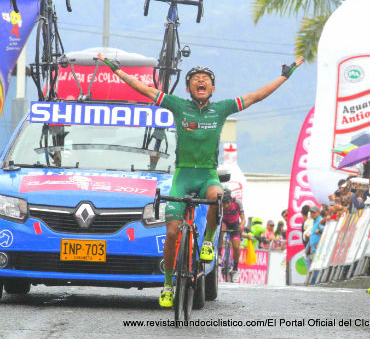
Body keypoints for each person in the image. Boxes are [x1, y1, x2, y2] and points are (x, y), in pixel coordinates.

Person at [97, 52, 303, 308]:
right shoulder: (177, 105)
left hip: (207, 175)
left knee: (218, 196)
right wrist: (118, 72)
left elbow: (256, 96)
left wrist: (284, 76)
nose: (201, 81)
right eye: (196, 79)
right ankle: (169, 284)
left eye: (206, 79)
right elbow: (145, 90)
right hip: (183, 175)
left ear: (213, 88)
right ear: (188, 87)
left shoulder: (222, 108)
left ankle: (207, 241)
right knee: (172, 232)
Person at [218, 189, 246, 282]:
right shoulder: (220, 204)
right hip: (225, 222)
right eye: (224, 204)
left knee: (236, 246)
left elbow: (243, 219)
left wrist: (241, 226)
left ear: (231, 201)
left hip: (235, 225)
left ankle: (235, 269)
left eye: (227, 204)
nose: (225, 206)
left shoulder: (237, 203)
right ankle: (219, 255)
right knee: (221, 229)